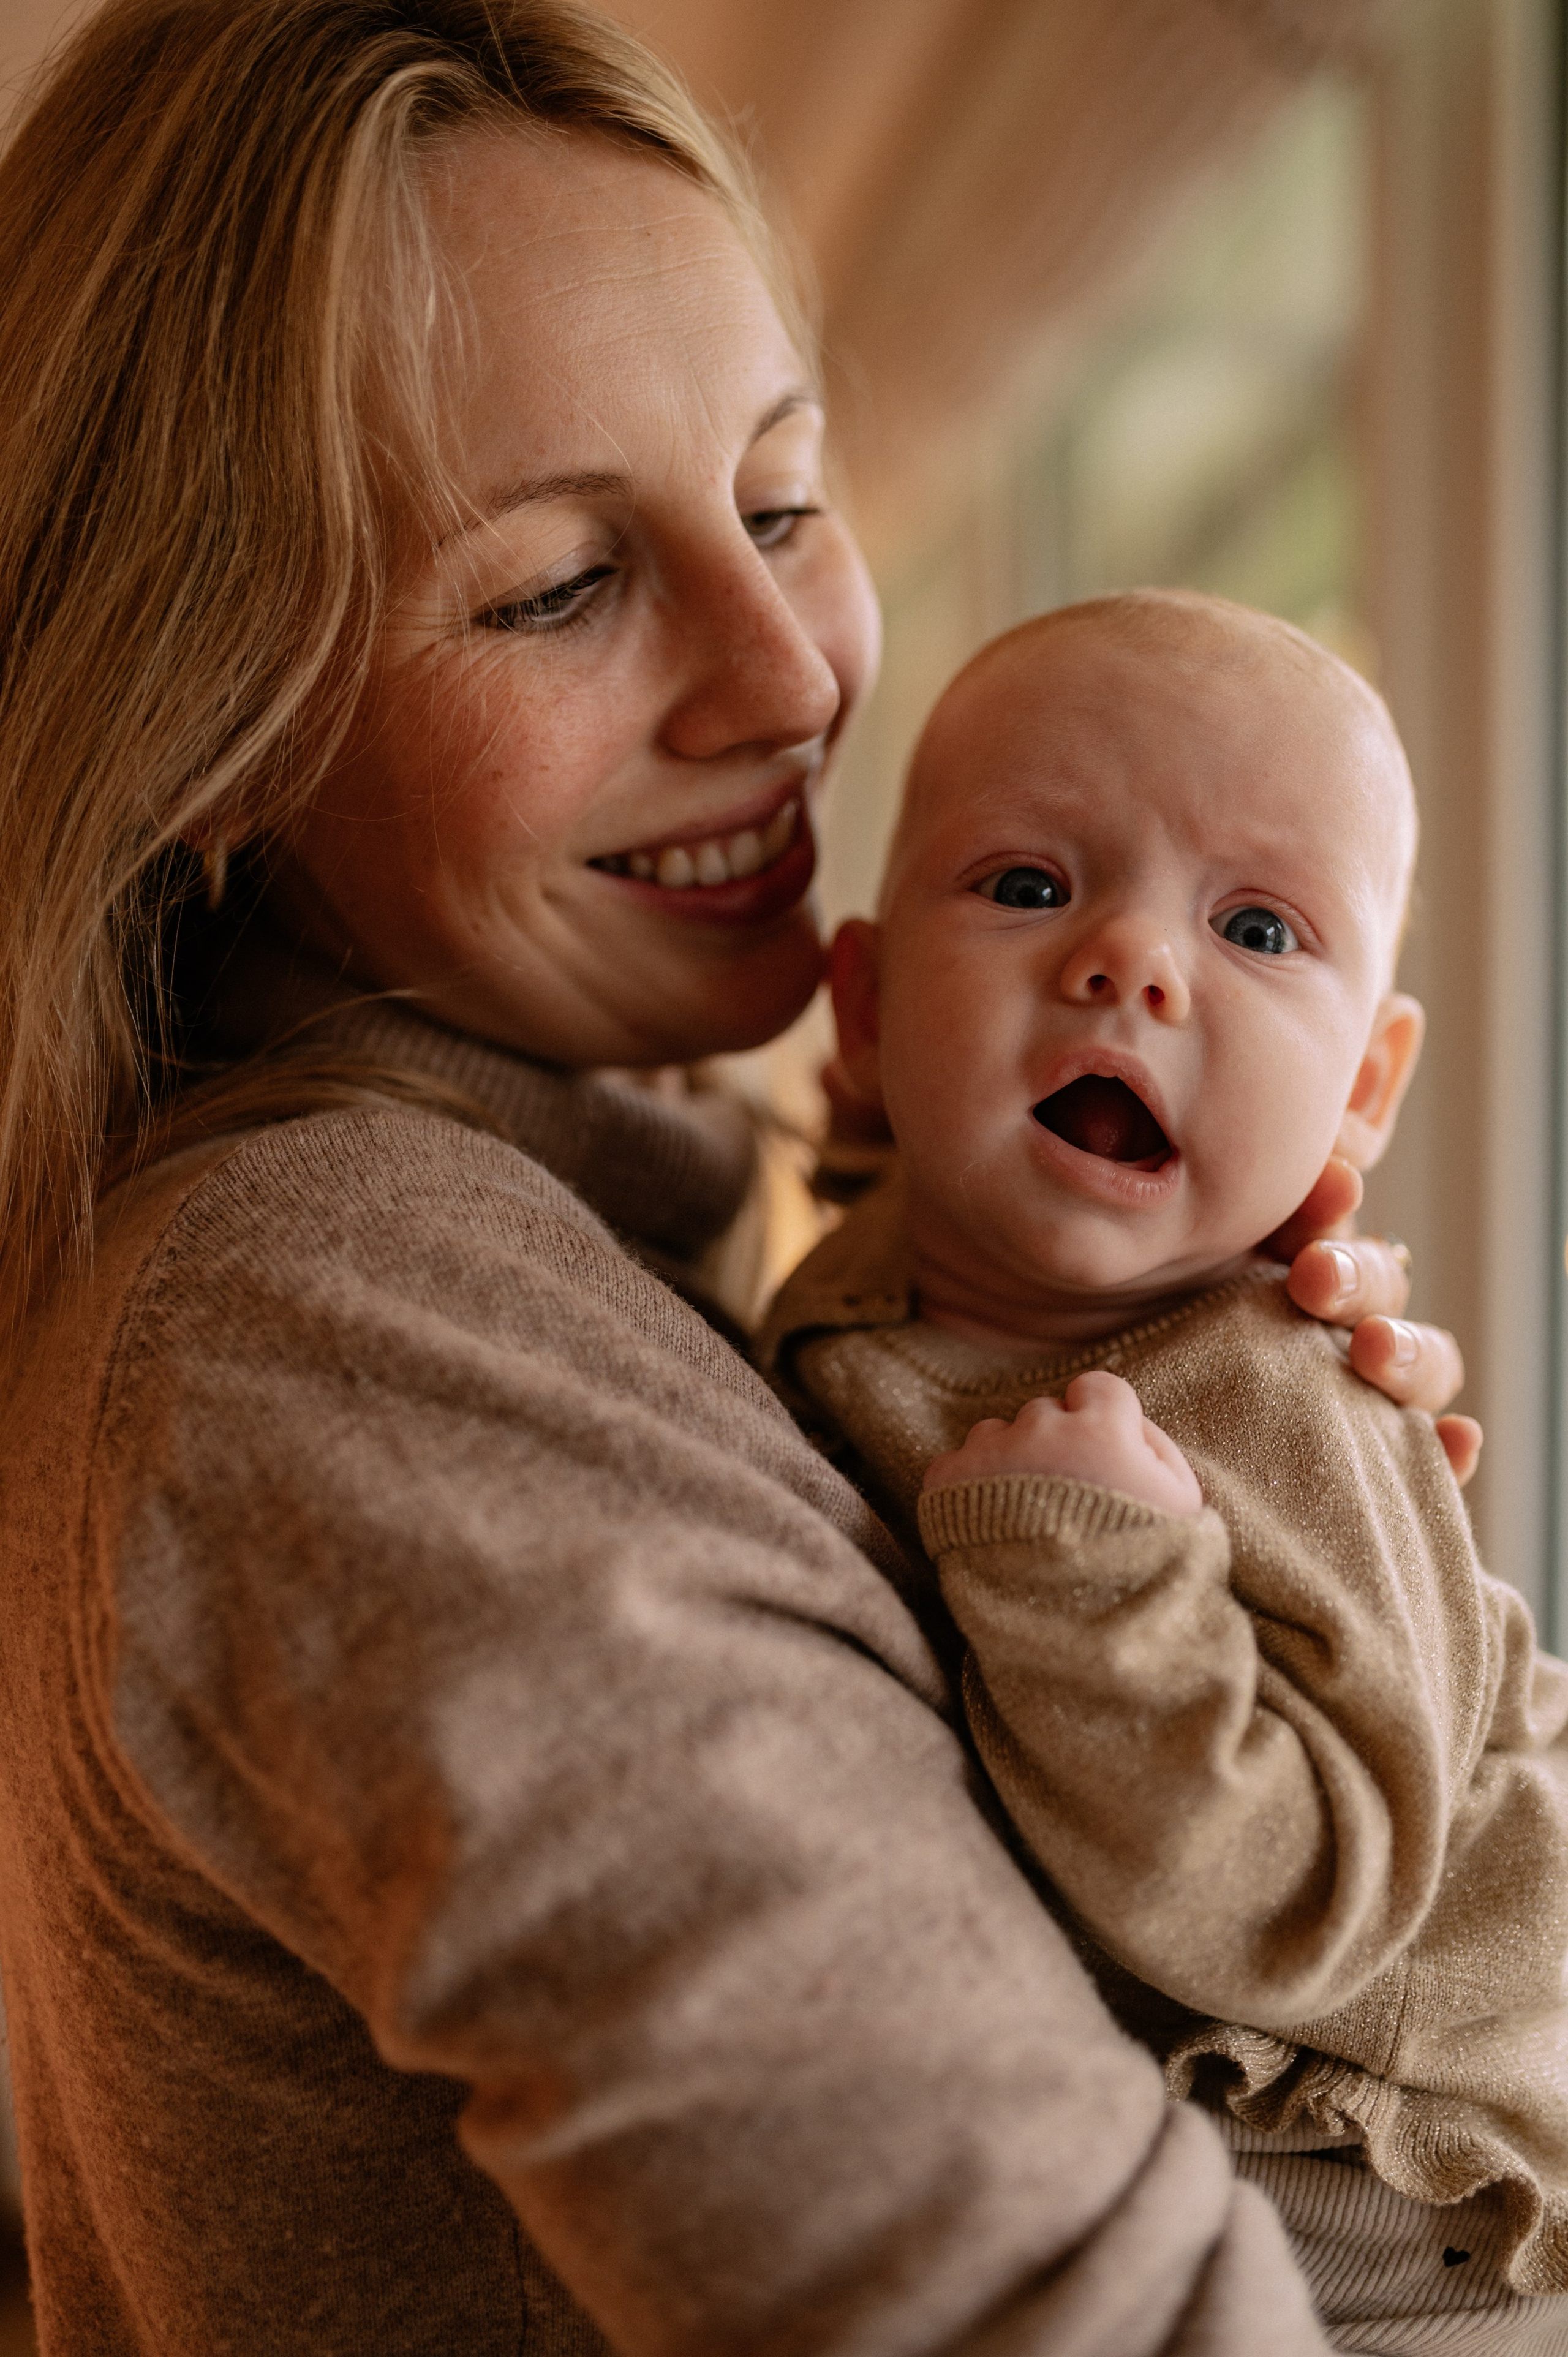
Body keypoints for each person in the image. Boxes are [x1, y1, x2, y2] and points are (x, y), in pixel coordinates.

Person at [0, 8, 1469, 2352]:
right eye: (558, 585)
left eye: (781, 501)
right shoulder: (352, 1311)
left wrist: (1353, 1588)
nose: (790, 677)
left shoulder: (608, 1264)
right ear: (211, 725)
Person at [763, 591, 1568, 2355]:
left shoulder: (1276, 1397)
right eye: (1030, 887)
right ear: (870, 1008)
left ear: (1360, 1090)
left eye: (1260, 925)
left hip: (1384, 2199)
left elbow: (1303, 1913)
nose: (1131, 962)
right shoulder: (899, 1264)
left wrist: (1095, 1579)